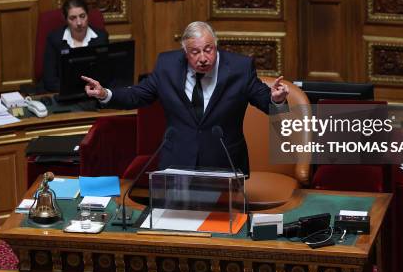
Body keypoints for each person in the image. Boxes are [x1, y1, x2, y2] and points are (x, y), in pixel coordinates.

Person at [82, 21, 289, 175]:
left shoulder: (239, 68)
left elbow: (265, 99)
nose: (203, 58)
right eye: (195, 52)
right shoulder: (167, 65)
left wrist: (277, 99)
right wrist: (105, 94)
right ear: (185, 52)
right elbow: (139, 95)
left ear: (216, 46)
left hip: (224, 164)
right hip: (177, 163)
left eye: (208, 50)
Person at [42, 0, 108, 92]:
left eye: (82, 16)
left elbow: (105, 74)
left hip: (94, 94)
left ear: (87, 15)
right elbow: (50, 81)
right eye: (72, 18)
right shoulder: (54, 39)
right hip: (63, 93)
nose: (79, 22)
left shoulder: (101, 37)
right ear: (65, 19)